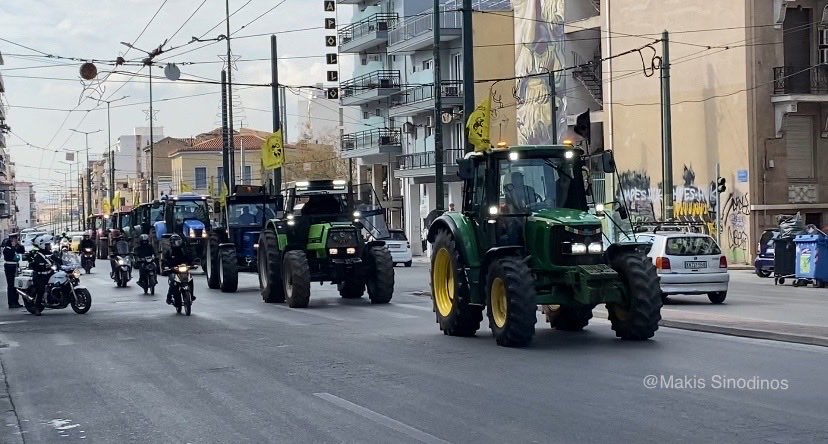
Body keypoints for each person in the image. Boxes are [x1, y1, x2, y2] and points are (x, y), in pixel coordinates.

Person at [162, 234, 195, 305]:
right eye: (176, 242)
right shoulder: (169, 252)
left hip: (183, 270)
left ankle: (191, 295)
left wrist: (193, 264)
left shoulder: (183, 250)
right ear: (172, 243)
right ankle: (169, 297)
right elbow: (164, 261)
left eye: (179, 241)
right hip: (173, 271)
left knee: (190, 279)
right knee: (173, 282)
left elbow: (189, 258)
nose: (178, 243)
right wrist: (166, 267)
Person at [28, 235, 55, 306]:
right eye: (48, 245)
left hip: (49, 274)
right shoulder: (38, 255)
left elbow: (57, 260)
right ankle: (37, 307)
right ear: (43, 246)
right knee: (41, 289)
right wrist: (44, 265)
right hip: (40, 276)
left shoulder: (49, 254)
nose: (50, 247)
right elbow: (36, 265)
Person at [3, 234, 26, 309]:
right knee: (11, 285)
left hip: (15, 266)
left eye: (16, 239)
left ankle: (16, 301)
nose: (15, 241)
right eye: (13, 239)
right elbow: (11, 255)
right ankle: (11, 302)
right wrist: (13, 247)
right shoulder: (7, 249)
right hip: (9, 267)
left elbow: (22, 251)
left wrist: (19, 245)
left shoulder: (15, 247)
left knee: (16, 285)